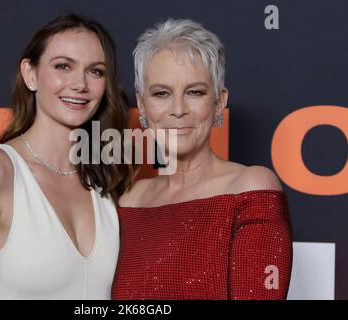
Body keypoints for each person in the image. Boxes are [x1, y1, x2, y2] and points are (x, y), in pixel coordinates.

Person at [0, 14, 133, 299]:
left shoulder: (108, 178)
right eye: (63, 66)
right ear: (30, 74)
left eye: (96, 71)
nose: (80, 84)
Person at [112, 18, 293, 300]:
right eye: (162, 93)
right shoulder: (129, 200)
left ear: (219, 101)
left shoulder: (251, 187)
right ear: (143, 103)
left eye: (194, 92)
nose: (178, 109)